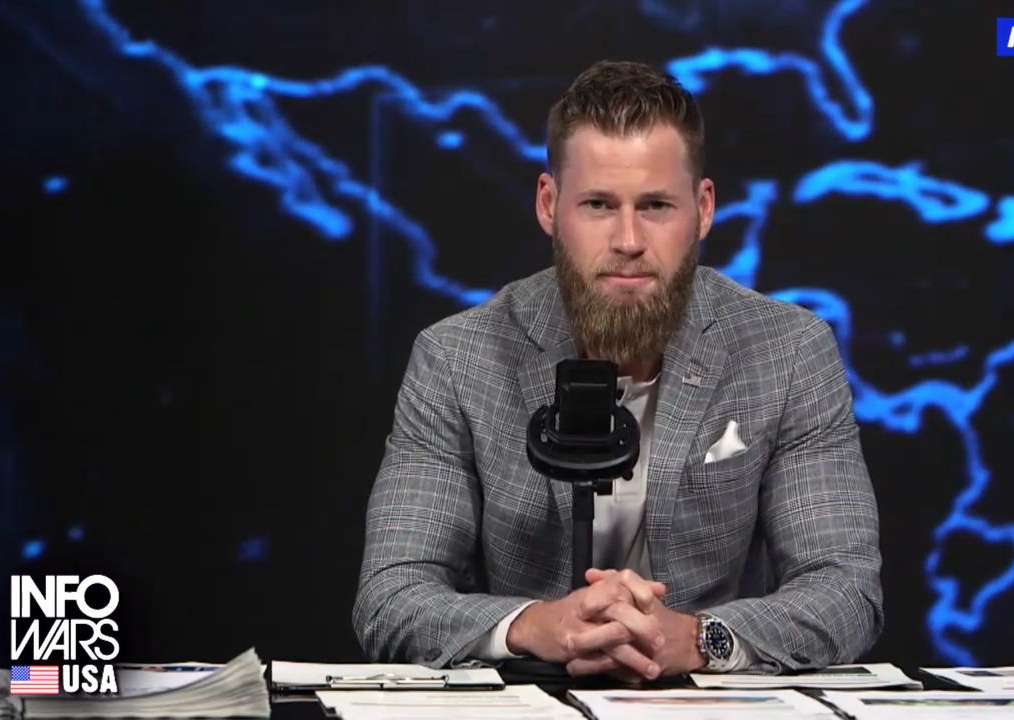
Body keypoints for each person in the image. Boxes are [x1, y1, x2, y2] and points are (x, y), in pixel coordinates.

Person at [353, 59, 883, 679]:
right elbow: (393, 594)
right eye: (598, 204)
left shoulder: (789, 352)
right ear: (549, 205)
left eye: (655, 205)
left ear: (703, 209)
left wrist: (696, 638)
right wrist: (537, 626)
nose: (628, 240)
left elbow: (845, 590)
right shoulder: (456, 359)